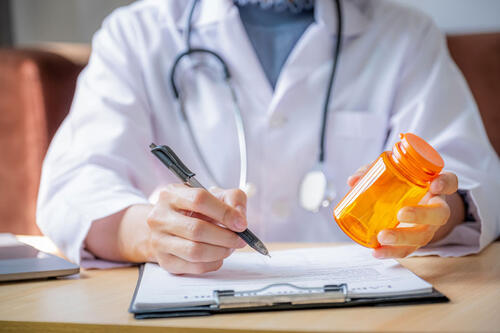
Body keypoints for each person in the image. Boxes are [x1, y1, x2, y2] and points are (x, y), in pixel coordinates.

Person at [37, 0, 500, 274]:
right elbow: (74, 188)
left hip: (363, 311)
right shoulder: (136, 34)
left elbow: (471, 176)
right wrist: (149, 235)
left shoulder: (404, 34)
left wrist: (437, 213)